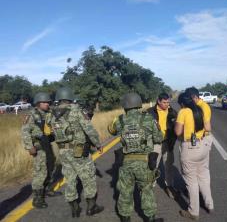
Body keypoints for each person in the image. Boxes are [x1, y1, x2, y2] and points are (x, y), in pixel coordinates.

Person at [47, 87, 104, 217]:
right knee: (88, 178)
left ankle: (74, 208)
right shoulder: (76, 111)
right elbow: (89, 129)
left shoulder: (51, 114)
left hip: (63, 150)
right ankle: (91, 207)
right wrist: (98, 144)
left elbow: (51, 131)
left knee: (70, 178)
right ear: (70, 97)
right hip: (79, 150)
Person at [108, 93, 163, 222]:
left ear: (125, 105)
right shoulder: (149, 119)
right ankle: (150, 218)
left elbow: (111, 130)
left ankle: (125, 218)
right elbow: (159, 138)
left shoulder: (119, 120)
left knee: (125, 192)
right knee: (146, 190)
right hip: (144, 162)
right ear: (139, 104)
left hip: (126, 162)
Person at [175, 92, 214, 220]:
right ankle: (209, 204)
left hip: (190, 149)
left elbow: (178, 131)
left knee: (191, 182)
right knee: (203, 176)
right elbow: (208, 127)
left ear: (182, 103)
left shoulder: (183, 112)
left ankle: (193, 212)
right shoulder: (200, 109)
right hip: (202, 146)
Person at [22, 92, 59, 208]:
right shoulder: (32, 115)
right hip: (39, 148)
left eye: (48, 102)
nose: (47, 104)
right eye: (45, 102)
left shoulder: (48, 114)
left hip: (48, 145)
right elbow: (25, 132)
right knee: (40, 172)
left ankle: (48, 189)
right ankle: (37, 199)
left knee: (51, 167)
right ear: (38, 103)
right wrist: (29, 146)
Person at [147, 92, 177, 199]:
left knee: (169, 165)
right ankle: (150, 187)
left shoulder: (173, 112)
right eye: (164, 102)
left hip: (168, 143)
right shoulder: (150, 112)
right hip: (155, 143)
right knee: (152, 166)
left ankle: (169, 186)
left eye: (168, 102)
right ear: (158, 101)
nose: (166, 105)